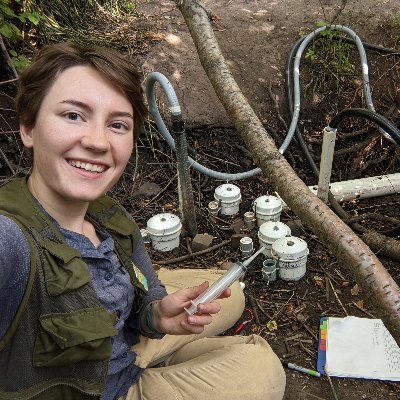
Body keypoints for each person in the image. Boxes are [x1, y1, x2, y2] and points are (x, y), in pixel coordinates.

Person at [0, 42, 285, 400]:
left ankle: (164, 360)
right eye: (73, 115)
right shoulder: (11, 240)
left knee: (231, 296)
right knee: (261, 367)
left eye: (117, 124)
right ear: (28, 127)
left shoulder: (106, 215)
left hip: (122, 341)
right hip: (104, 390)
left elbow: (148, 299)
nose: (97, 141)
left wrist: (156, 318)